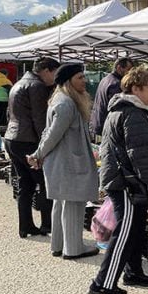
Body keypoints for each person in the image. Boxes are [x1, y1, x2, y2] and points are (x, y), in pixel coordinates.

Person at [89, 66, 148, 294]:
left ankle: (133, 272)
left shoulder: (121, 110)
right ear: (136, 88)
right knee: (124, 231)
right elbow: (139, 154)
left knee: (135, 229)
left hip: (124, 180)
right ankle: (103, 283)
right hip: (126, 183)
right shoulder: (132, 114)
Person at [27, 64, 100, 259]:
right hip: (68, 163)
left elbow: (48, 132)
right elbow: (52, 134)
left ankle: (59, 245)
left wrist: (38, 153)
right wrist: (38, 154)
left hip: (63, 162)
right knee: (73, 205)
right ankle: (74, 249)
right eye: (79, 77)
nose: (84, 81)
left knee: (62, 203)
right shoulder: (66, 103)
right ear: (68, 81)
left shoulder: (60, 100)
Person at [4, 57, 60, 238]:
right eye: (55, 73)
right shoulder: (37, 87)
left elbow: (8, 113)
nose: (55, 78)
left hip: (12, 138)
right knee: (44, 182)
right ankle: (47, 224)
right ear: (46, 70)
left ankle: (25, 226)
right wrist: (43, 148)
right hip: (28, 140)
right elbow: (39, 119)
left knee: (25, 184)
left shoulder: (19, 83)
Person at [89, 57, 133, 140]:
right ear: (119, 68)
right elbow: (117, 110)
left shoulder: (105, 79)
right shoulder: (116, 84)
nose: (129, 73)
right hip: (106, 127)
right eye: (128, 70)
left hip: (98, 124)